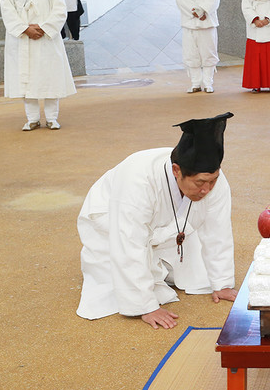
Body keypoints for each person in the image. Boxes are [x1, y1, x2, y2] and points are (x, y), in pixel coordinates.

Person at [76, 113, 238, 328]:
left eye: (213, 180)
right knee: (112, 289)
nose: (207, 189)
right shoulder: (137, 180)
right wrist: (146, 306)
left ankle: (160, 263)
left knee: (198, 277)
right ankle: (140, 289)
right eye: (200, 182)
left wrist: (222, 283)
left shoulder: (214, 182)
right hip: (111, 221)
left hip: (168, 225)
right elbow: (129, 242)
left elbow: (218, 230)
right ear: (176, 170)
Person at [0, 0, 76, 131]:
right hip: (22, 40)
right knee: (26, 82)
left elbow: (60, 11)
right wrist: (25, 29)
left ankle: (52, 118)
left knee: (50, 79)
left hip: (45, 39)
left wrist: (42, 28)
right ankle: (32, 119)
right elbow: (7, 13)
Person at [174, 0, 221, 93]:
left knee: (209, 54)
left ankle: (208, 83)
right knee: (191, 55)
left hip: (207, 22)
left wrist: (203, 11)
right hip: (189, 23)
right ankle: (195, 83)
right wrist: (194, 12)